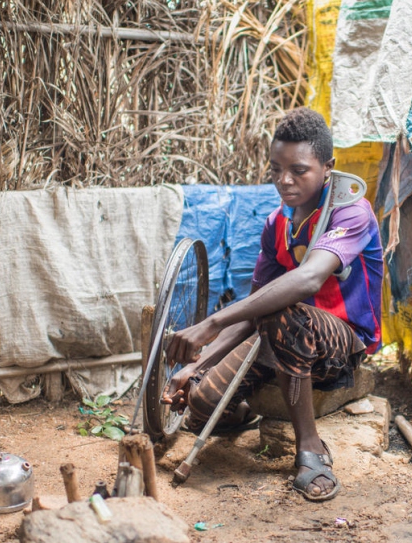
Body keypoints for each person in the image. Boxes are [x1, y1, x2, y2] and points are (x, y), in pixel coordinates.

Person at [162, 107, 383, 502]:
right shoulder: (275, 224)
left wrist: (210, 323)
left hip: (341, 343)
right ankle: (245, 408)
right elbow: (255, 305)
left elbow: (309, 279)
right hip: (283, 335)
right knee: (200, 399)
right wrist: (198, 364)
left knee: (285, 312)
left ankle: (311, 449)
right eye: (276, 169)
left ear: (328, 167)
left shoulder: (351, 212)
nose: (284, 180)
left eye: (299, 170)